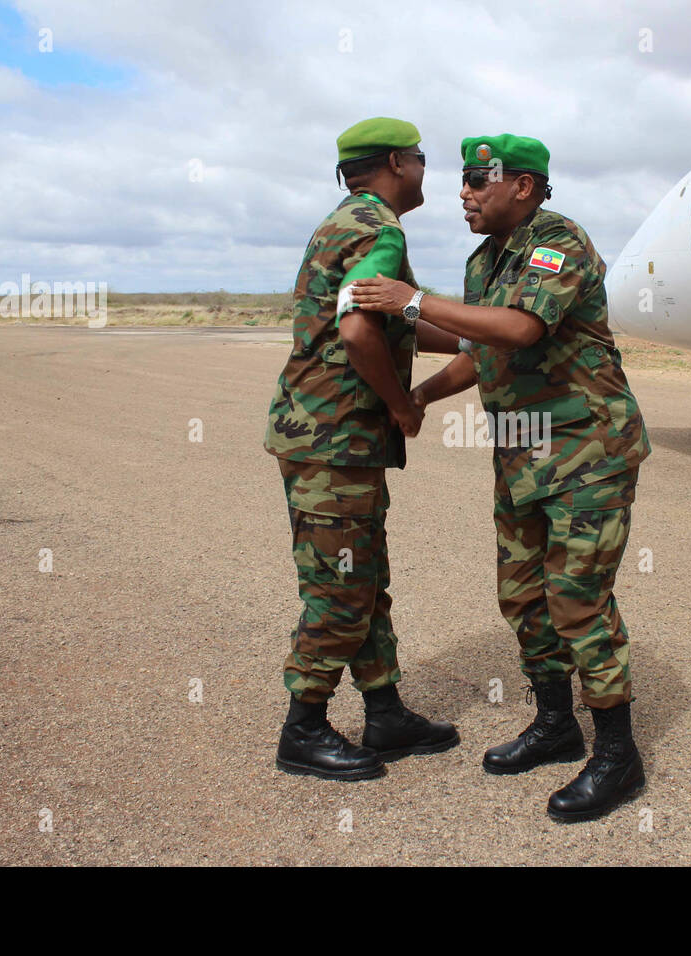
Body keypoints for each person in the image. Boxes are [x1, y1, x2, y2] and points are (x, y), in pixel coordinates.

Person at [350, 134, 650, 822]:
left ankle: (617, 754)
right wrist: (419, 393)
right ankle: (555, 723)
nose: (464, 192)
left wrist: (412, 302)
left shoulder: (557, 241)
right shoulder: (487, 259)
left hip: (587, 453)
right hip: (522, 454)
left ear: (523, 185)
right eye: (460, 181)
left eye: (479, 181)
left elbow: (517, 329)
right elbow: (480, 348)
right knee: (522, 598)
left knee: (578, 601)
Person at [263, 117, 462, 781]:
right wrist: (404, 404)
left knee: (364, 578)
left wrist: (476, 336)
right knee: (343, 589)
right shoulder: (379, 226)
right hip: (335, 441)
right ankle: (304, 728)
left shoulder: (346, 221)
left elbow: (386, 319)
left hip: (328, 439)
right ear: (396, 163)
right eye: (422, 159)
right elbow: (356, 330)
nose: (427, 171)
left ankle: (385, 714)